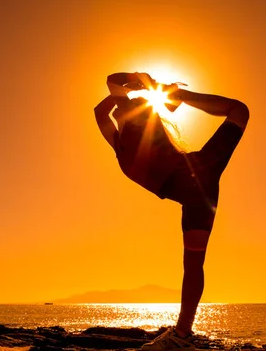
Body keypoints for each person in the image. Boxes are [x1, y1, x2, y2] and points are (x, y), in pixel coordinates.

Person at [94, 72, 249, 351]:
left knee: (240, 110)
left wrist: (143, 85)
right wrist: (142, 84)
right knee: (192, 263)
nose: (122, 104)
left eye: (127, 104)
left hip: (197, 176)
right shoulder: (120, 143)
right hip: (197, 193)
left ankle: (182, 335)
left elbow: (112, 86)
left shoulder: (131, 130)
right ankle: (183, 335)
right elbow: (104, 101)